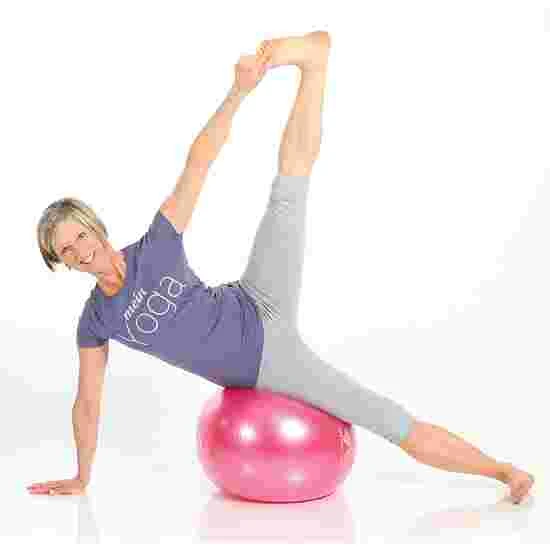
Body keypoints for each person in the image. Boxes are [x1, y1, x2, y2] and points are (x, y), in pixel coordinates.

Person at [29, 31, 534, 504]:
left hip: (255, 297)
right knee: (383, 416)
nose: (79, 251)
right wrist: (82, 476)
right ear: (61, 263)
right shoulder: (96, 321)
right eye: (65, 251)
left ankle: (314, 62)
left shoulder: (155, 246)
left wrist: (239, 90)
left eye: (79, 236)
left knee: (288, 191)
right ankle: (504, 471)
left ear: (95, 226)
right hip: (270, 360)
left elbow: (199, 161)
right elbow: (88, 402)